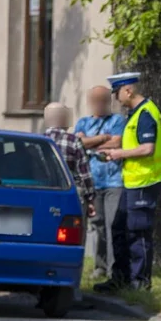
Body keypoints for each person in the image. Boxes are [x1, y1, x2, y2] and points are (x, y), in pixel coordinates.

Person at [99, 72, 161, 291]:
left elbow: (147, 148)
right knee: (119, 228)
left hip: (145, 181)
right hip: (133, 182)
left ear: (128, 90)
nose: (116, 99)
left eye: (117, 93)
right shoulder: (135, 114)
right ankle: (120, 278)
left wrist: (119, 154)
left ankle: (140, 282)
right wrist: (110, 148)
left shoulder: (145, 114)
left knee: (138, 232)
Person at [44, 102, 96, 302]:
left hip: (43, 195)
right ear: (66, 120)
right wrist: (91, 198)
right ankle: (72, 291)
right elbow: (85, 173)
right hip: (71, 196)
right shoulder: (73, 141)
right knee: (74, 244)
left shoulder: (39, 141)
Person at [74, 86, 126, 280]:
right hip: (92, 180)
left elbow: (117, 143)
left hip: (114, 180)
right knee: (98, 226)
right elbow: (78, 144)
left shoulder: (117, 120)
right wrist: (103, 138)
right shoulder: (83, 122)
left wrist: (90, 141)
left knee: (113, 225)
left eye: (103, 100)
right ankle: (100, 266)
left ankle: (114, 270)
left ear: (109, 101)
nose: (99, 104)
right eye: (95, 100)